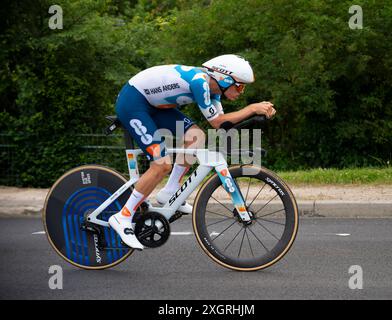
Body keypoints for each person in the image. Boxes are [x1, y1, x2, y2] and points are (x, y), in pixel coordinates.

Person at [108, 54, 276, 249]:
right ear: (224, 78)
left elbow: (222, 125)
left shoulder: (214, 92)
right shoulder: (200, 83)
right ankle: (123, 216)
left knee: (196, 136)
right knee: (162, 164)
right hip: (133, 103)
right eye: (239, 86)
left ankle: (170, 192)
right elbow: (217, 122)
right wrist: (252, 109)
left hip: (154, 105)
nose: (241, 91)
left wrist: (254, 119)